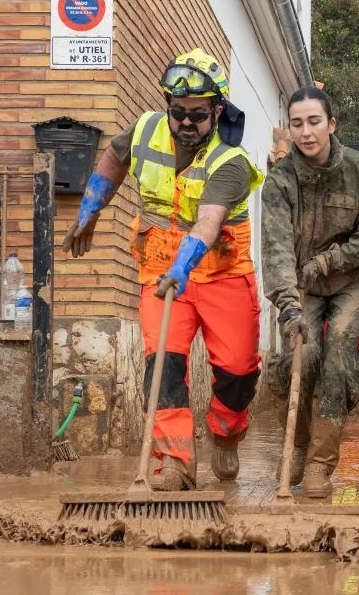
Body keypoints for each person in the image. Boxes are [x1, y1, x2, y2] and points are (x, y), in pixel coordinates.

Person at [62, 48, 264, 490]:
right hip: (159, 273)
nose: (186, 123)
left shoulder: (230, 161)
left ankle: (225, 433)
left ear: (218, 110)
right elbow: (114, 158)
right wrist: (90, 210)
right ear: (167, 107)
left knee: (237, 371)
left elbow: (209, 221)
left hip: (221, 274)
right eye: (178, 113)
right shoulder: (146, 130)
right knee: (163, 367)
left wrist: (184, 264)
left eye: (197, 114)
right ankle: (174, 461)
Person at [261, 86, 359, 498]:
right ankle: (297, 445)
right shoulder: (280, 181)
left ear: (331, 124)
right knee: (304, 352)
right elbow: (277, 248)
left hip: (354, 281)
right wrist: (288, 307)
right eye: (297, 124)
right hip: (302, 285)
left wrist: (328, 261)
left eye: (314, 122)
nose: (306, 132)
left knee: (338, 355)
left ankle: (321, 461)